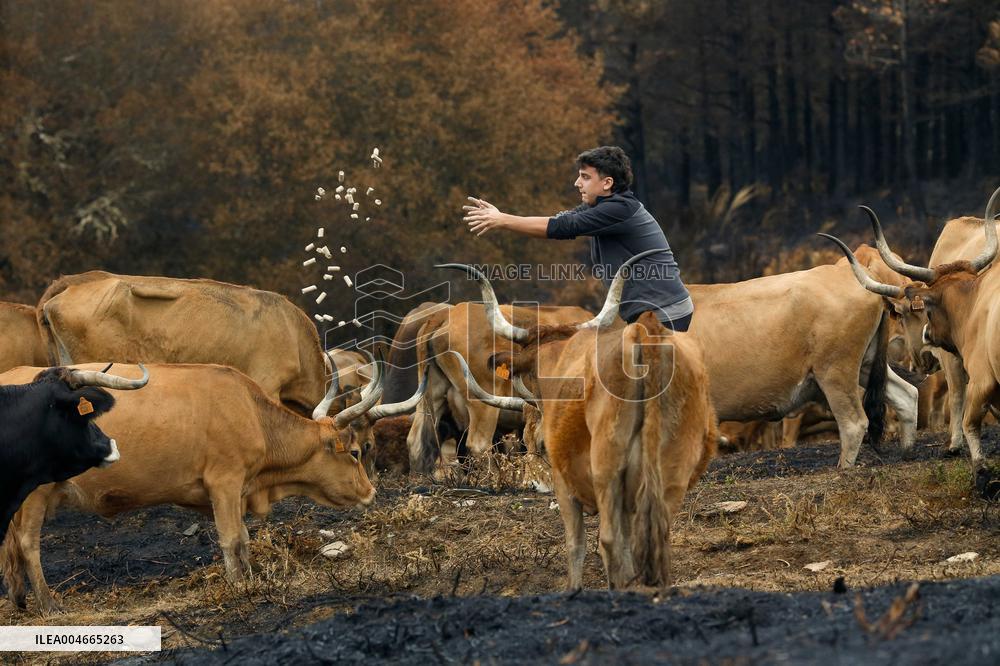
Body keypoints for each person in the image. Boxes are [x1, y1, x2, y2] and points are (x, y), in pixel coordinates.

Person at [462, 145, 693, 331]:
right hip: (649, 312)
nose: (577, 183)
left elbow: (563, 226)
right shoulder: (603, 207)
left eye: (585, 176)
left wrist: (502, 220)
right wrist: (502, 217)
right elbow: (563, 219)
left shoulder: (618, 209)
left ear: (607, 183)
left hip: (666, 312)